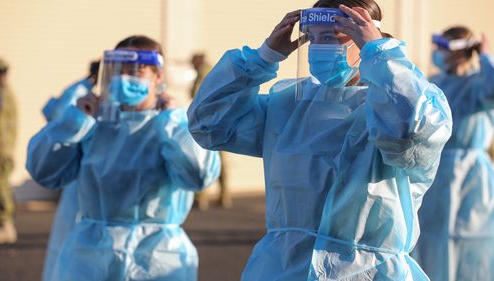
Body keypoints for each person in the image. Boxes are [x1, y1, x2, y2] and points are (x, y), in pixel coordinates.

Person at [188, 0, 452, 280]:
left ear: (364, 38)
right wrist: (264, 57)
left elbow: (410, 131)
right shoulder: (289, 106)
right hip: (284, 268)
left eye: (331, 37)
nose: (318, 48)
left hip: (368, 271)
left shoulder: (401, 106)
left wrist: (380, 55)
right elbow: (209, 123)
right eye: (313, 38)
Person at [26, 35, 220, 281]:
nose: (126, 79)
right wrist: (75, 121)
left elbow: (199, 175)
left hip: (158, 257)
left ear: (158, 76)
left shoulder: (173, 127)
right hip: (91, 256)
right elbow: (43, 170)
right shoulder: (93, 124)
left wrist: (172, 123)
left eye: (136, 72)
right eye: (120, 71)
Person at [413, 27, 494, 281]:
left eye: (444, 47)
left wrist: (485, 58)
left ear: (459, 51)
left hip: (472, 176)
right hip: (435, 172)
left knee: (470, 240)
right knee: (430, 240)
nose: (437, 53)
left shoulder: (479, 83)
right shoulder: (434, 83)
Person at [40, 60, 99, 281]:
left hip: (90, 178)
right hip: (79, 174)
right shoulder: (81, 92)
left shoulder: (80, 90)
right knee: (70, 240)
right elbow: (59, 122)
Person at [190, 53, 232, 210]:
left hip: (207, 120)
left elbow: (196, 93)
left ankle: (201, 198)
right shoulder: (216, 70)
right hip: (220, 118)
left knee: (204, 159)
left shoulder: (202, 72)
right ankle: (224, 195)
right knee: (221, 160)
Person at [0, 58, 18, 245]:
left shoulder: (4, 96)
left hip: (1, 152)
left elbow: (1, 128)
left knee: (0, 186)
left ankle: (6, 226)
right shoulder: (4, 94)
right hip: (3, 150)